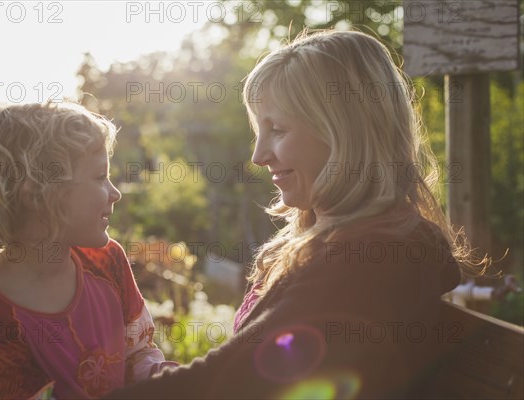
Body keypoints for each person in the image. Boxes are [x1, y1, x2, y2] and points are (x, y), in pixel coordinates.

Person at [103, 29, 487, 399]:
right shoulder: (352, 241)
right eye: (259, 131)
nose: (258, 156)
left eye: (278, 130)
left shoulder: (370, 258)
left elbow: (235, 379)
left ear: (344, 134)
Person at [0, 102, 176, 399]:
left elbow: (138, 353)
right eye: (100, 177)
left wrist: (173, 381)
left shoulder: (107, 261)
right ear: (38, 192)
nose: (116, 193)